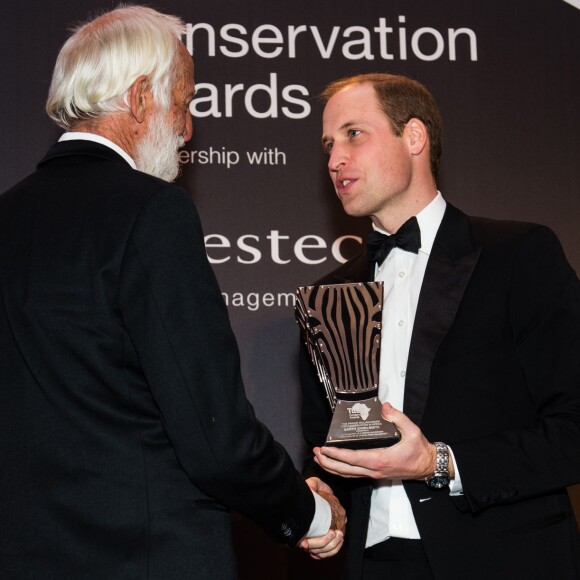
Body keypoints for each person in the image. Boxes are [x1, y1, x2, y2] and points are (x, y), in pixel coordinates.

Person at [0, 6, 345, 579]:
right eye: (184, 104)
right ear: (139, 99)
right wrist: (309, 514)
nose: (187, 130)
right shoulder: (151, 212)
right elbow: (215, 438)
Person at [299, 72, 580, 580]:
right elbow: (334, 447)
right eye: (328, 144)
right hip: (373, 567)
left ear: (414, 137)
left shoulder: (518, 256)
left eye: (353, 134)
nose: (334, 159)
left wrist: (437, 463)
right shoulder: (330, 296)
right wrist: (327, 501)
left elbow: (574, 430)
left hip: (502, 561)